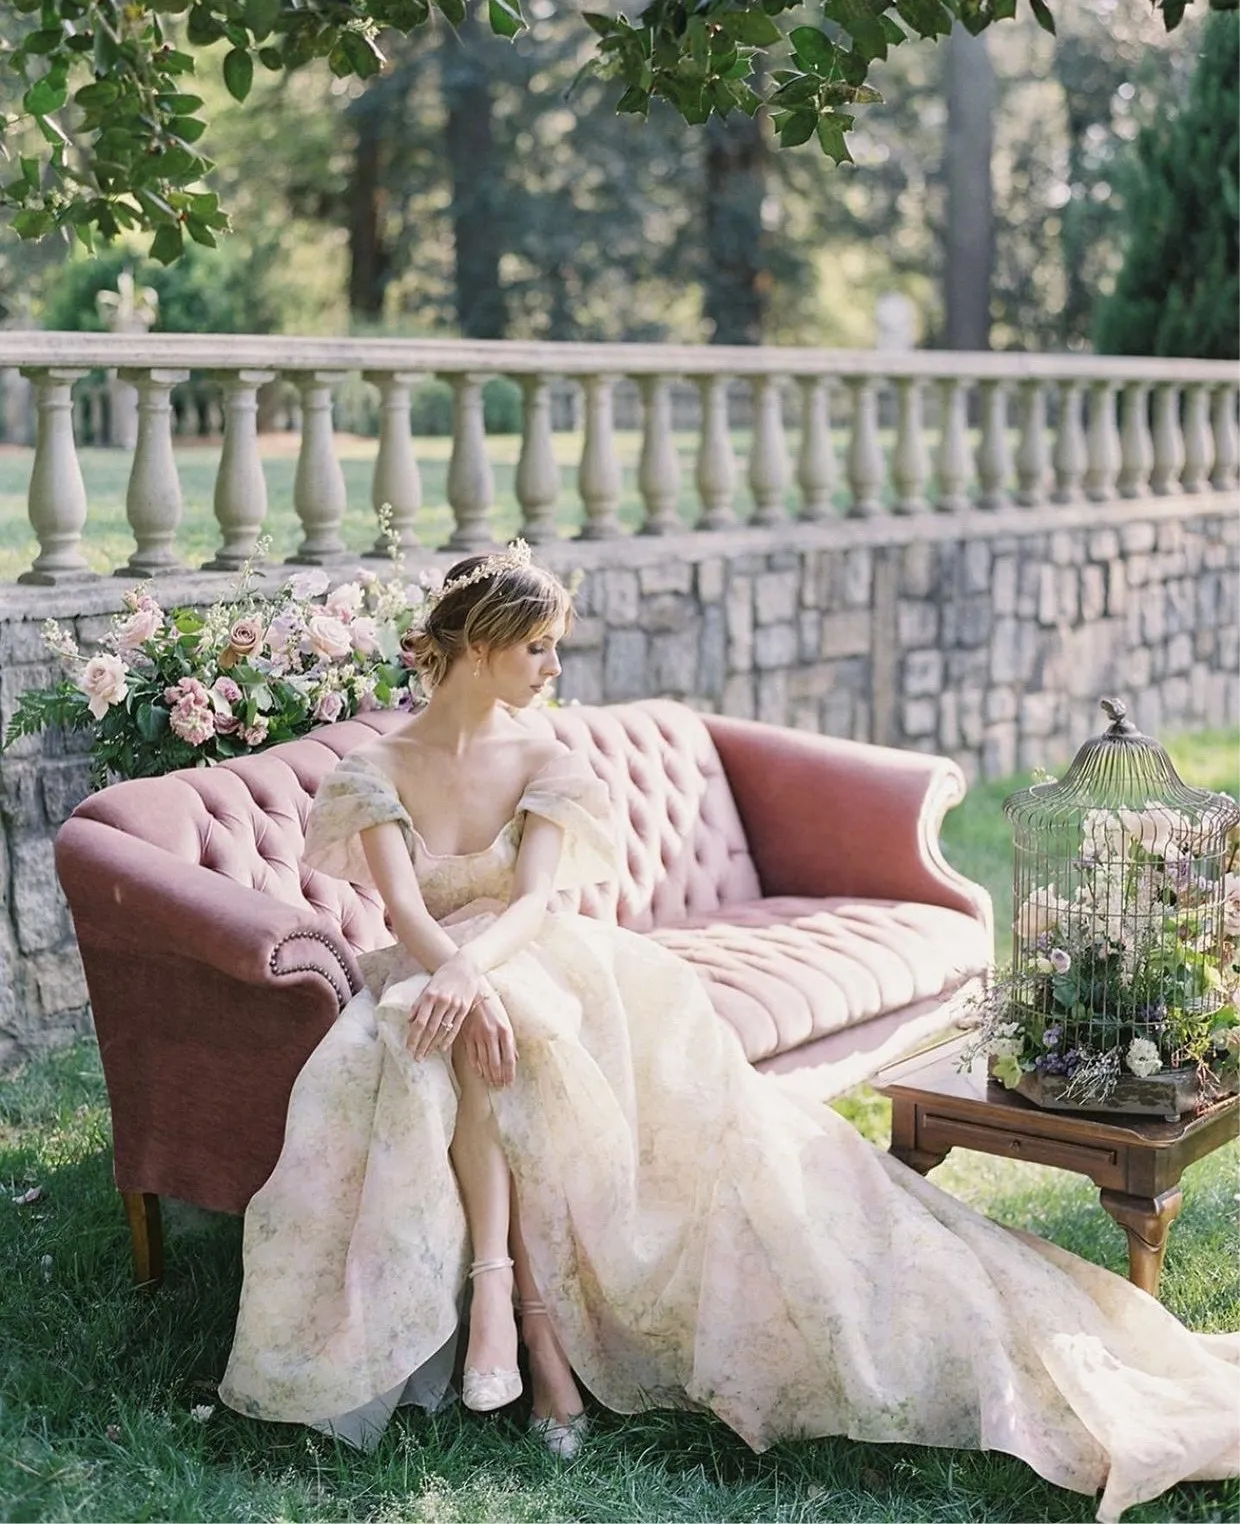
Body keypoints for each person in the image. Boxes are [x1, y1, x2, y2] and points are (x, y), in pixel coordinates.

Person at [221, 543, 1239, 1519]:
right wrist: (456, 977)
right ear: (480, 645)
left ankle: (516, 1319)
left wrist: (472, 977)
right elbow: (403, 912)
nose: (552, 667)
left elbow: (534, 905)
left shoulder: (542, 753)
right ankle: (527, 1330)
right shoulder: (382, 767)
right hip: (436, 969)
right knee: (448, 1034)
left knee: (502, 1025)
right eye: (537, 648)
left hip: (537, 965)